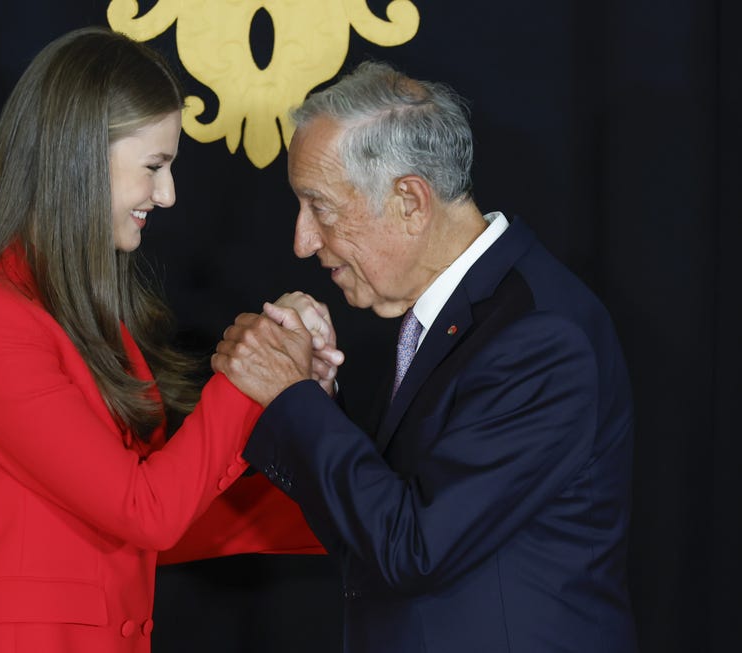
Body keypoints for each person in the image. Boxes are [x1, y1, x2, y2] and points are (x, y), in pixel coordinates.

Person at [0, 26, 325, 653]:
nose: (168, 194)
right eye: (155, 166)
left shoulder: (86, 318)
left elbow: (157, 515)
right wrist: (253, 373)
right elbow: (147, 510)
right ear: (80, 155)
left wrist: (297, 405)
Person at [211, 61, 638, 652]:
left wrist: (291, 398)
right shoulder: (450, 313)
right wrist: (313, 401)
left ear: (410, 199)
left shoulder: (542, 337)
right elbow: (373, 536)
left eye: (320, 207)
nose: (302, 241)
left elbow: (413, 550)